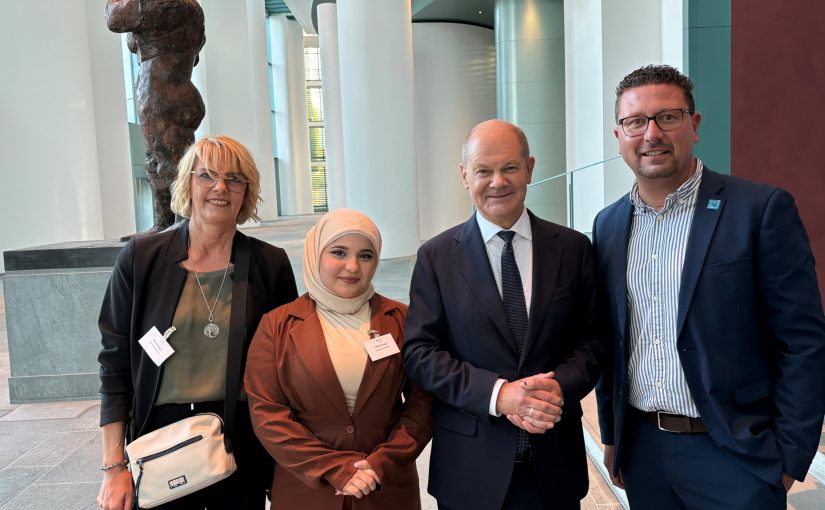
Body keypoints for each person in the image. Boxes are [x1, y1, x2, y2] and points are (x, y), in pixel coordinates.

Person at [594, 64, 825, 509]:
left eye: (668, 117)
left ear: (694, 125)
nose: (652, 134)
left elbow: (803, 339)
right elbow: (610, 341)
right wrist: (612, 434)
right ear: (619, 135)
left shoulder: (759, 211)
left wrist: (789, 454)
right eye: (635, 122)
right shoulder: (608, 226)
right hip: (644, 451)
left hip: (735, 454)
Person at [402, 119, 603, 510]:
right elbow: (420, 353)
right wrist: (500, 395)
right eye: (483, 171)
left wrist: (556, 388)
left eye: (509, 168)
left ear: (529, 168)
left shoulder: (574, 249)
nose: (497, 182)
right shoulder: (437, 257)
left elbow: (593, 341)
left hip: (553, 462)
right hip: (470, 467)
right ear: (465, 176)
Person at [96, 135, 298, 510]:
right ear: (188, 183)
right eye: (207, 175)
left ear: (245, 193)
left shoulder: (270, 264)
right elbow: (114, 365)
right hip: (161, 439)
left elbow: (287, 366)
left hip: (241, 438)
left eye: (234, 179)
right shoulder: (142, 259)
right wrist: (114, 467)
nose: (220, 187)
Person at [244, 209, 432, 510]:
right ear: (315, 254)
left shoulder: (400, 319)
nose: (352, 266)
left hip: (384, 488)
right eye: (339, 252)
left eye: (366, 255)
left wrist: (383, 461)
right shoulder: (277, 325)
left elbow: (423, 402)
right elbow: (268, 414)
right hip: (307, 490)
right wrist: (333, 468)